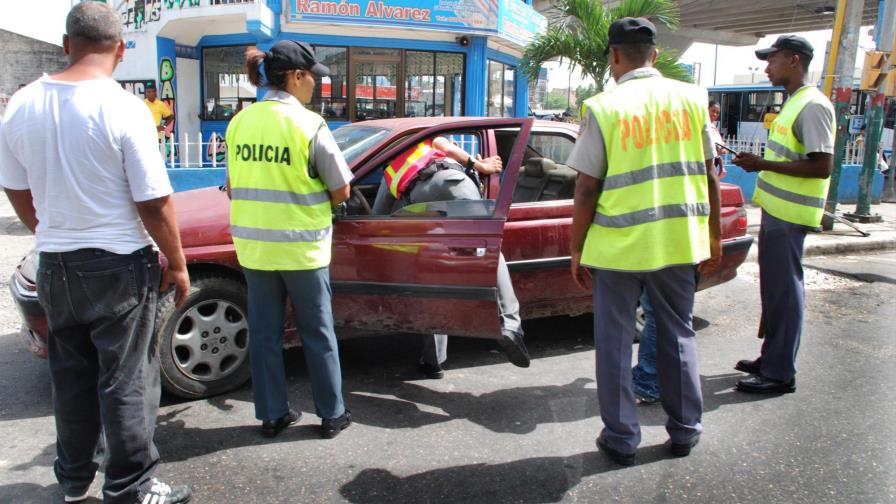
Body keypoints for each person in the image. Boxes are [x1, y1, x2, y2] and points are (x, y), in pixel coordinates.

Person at [0, 3, 192, 503]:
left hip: (55, 263)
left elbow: (14, 187)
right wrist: (178, 261)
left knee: (71, 377)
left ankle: (73, 481)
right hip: (117, 264)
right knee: (126, 380)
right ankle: (131, 488)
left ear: (67, 44)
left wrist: (47, 228)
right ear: (121, 50)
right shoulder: (124, 106)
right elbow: (154, 200)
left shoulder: (21, 103)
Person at [567, 17, 721, 466]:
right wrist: (712, 238)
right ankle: (685, 430)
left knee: (614, 345)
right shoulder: (694, 99)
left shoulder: (603, 106)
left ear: (614, 55)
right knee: (677, 335)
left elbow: (586, 188)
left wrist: (577, 248)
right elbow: (709, 173)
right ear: (655, 55)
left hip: (618, 248)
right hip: (678, 243)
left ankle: (621, 439)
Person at [225, 40, 353, 439]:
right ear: (296, 77)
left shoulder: (239, 123)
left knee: (264, 335)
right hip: (302, 248)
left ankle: (272, 414)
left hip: (255, 250)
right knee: (318, 332)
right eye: (313, 76)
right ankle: (331, 415)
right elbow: (342, 190)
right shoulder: (309, 124)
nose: (316, 84)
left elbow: (232, 187)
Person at [371, 136, 531, 378]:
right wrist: (478, 167)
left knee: (434, 277)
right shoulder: (427, 145)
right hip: (454, 183)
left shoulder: (392, 170)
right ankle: (510, 324)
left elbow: (376, 219)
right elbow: (443, 145)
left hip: (419, 201)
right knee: (485, 246)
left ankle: (433, 360)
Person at [731, 35, 834, 394]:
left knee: (786, 292)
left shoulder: (812, 105)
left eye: (772, 59)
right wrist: (760, 165)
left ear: (793, 60)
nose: (766, 67)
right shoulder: (793, 103)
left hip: (791, 216)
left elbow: (821, 166)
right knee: (774, 291)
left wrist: (761, 164)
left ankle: (779, 372)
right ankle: (771, 357)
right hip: (778, 212)